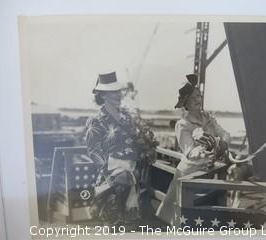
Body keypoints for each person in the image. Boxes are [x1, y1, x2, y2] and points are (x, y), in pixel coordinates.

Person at [86, 71, 158, 228]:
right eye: (113, 92)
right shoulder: (96, 121)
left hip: (132, 170)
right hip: (109, 174)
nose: (118, 95)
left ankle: (122, 220)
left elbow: (137, 141)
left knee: (132, 184)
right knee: (120, 191)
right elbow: (93, 150)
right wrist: (108, 170)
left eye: (118, 91)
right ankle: (111, 217)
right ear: (103, 95)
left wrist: (144, 151)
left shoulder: (127, 117)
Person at [156, 74, 230, 225]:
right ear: (186, 103)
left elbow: (225, 134)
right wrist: (204, 151)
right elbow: (190, 152)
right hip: (187, 174)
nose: (198, 99)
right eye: (193, 97)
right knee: (177, 216)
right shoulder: (182, 125)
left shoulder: (208, 118)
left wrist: (223, 143)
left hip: (206, 171)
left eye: (199, 96)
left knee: (196, 214)